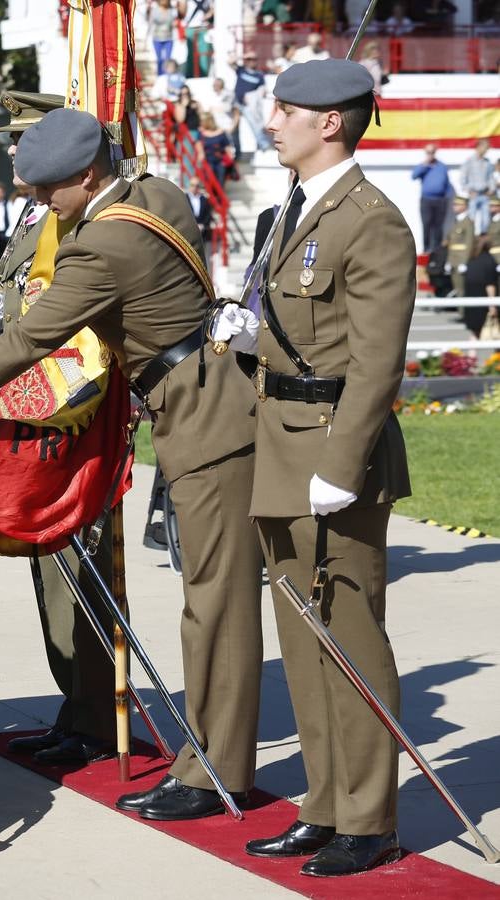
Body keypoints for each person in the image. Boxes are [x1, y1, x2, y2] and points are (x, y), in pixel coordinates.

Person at [0, 107, 264, 822]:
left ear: (85, 177)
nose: (38, 205)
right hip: (206, 399)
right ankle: (212, 756)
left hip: (203, 420)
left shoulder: (101, 245)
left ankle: (212, 770)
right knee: (211, 601)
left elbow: (29, 339)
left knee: (215, 606)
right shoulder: (155, 195)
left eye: (47, 190)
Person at [239, 57, 413, 878]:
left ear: (329, 122)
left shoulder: (368, 219)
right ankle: (323, 802)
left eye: (282, 111)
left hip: (332, 450)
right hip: (279, 441)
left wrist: (342, 463)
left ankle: (369, 817)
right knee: (301, 638)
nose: (270, 121)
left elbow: (377, 362)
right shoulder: (291, 211)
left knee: (347, 632)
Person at [0, 89, 124, 766]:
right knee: (49, 569)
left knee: (79, 570)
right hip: (33, 411)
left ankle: (92, 716)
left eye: (20, 138)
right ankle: (74, 706)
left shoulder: (78, 217)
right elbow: (23, 296)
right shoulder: (37, 212)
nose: (10, 152)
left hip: (71, 414)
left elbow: (69, 318)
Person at [411, 143, 452, 253]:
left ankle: (437, 250)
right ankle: (426, 249)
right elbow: (414, 176)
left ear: (435, 152)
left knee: (438, 227)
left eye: (432, 152)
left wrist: (446, 198)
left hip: (440, 201)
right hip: (427, 201)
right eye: (428, 152)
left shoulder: (442, 166)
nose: (431, 154)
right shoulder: (423, 166)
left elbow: (447, 184)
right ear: (425, 153)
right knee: (427, 225)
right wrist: (425, 165)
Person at [462, 236, 498, 337]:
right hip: (484, 304)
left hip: (471, 302)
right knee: (494, 333)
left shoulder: (471, 260)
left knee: (474, 333)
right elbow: (490, 285)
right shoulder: (490, 261)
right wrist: (492, 305)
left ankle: (471, 353)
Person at [460, 139, 495, 236]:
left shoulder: (487, 162)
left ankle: (483, 240)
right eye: (485, 148)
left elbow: (490, 178)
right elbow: (463, 178)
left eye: (487, 149)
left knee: (486, 219)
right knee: (471, 218)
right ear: (478, 147)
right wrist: (468, 190)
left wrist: (491, 189)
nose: (486, 150)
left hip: (484, 195)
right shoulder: (469, 161)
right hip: (474, 194)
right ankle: (470, 238)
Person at [445, 195, 476, 298]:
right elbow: (451, 244)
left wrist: (464, 262)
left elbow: (469, 243)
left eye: (458, 204)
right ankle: (460, 312)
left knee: (462, 289)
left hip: (462, 259)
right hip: (453, 259)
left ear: (465, 206)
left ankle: (463, 313)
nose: (455, 206)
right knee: (457, 288)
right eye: (454, 204)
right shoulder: (455, 221)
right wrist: (449, 261)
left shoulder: (468, 222)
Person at [197, 112, 234, 185]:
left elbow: (227, 147)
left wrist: (230, 160)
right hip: (208, 162)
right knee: (209, 182)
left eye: (201, 121)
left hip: (221, 161)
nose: (200, 123)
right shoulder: (201, 133)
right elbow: (199, 147)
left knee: (220, 182)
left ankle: (219, 195)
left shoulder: (221, 132)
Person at [185, 176, 214, 259]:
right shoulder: (184, 198)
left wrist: (203, 225)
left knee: (201, 258)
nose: (194, 188)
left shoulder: (203, 199)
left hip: (202, 234)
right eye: (192, 185)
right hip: (189, 234)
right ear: (189, 186)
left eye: (197, 186)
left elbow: (208, 215)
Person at [149, 0, 179, 72]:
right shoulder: (154, 11)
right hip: (157, 38)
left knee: (168, 59)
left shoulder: (172, 10)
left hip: (168, 38)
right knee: (159, 59)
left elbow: (175, 22)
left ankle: (167, 76)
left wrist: (175, 24)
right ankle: (160, 75)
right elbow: (150, 24)